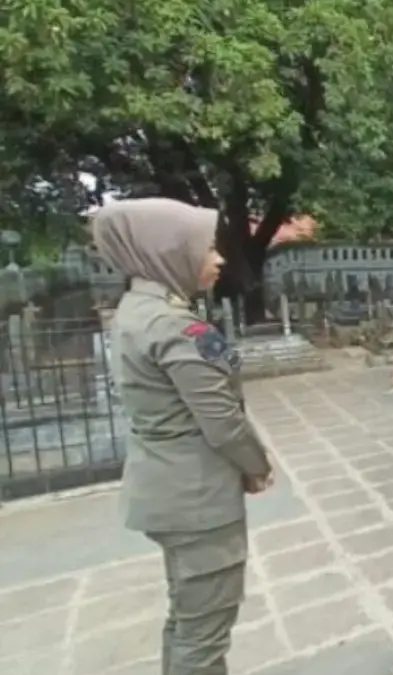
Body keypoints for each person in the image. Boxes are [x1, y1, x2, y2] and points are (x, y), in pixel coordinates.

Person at [93, 198, 273, 675]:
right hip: (198, 500)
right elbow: (222, 420)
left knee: (187, 618)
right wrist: (257, 466)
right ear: (167, 251)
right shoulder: (174, 326)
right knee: (204, 633)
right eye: (206, 249)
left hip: (164, 488)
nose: (218, 260)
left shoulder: (134, 310)